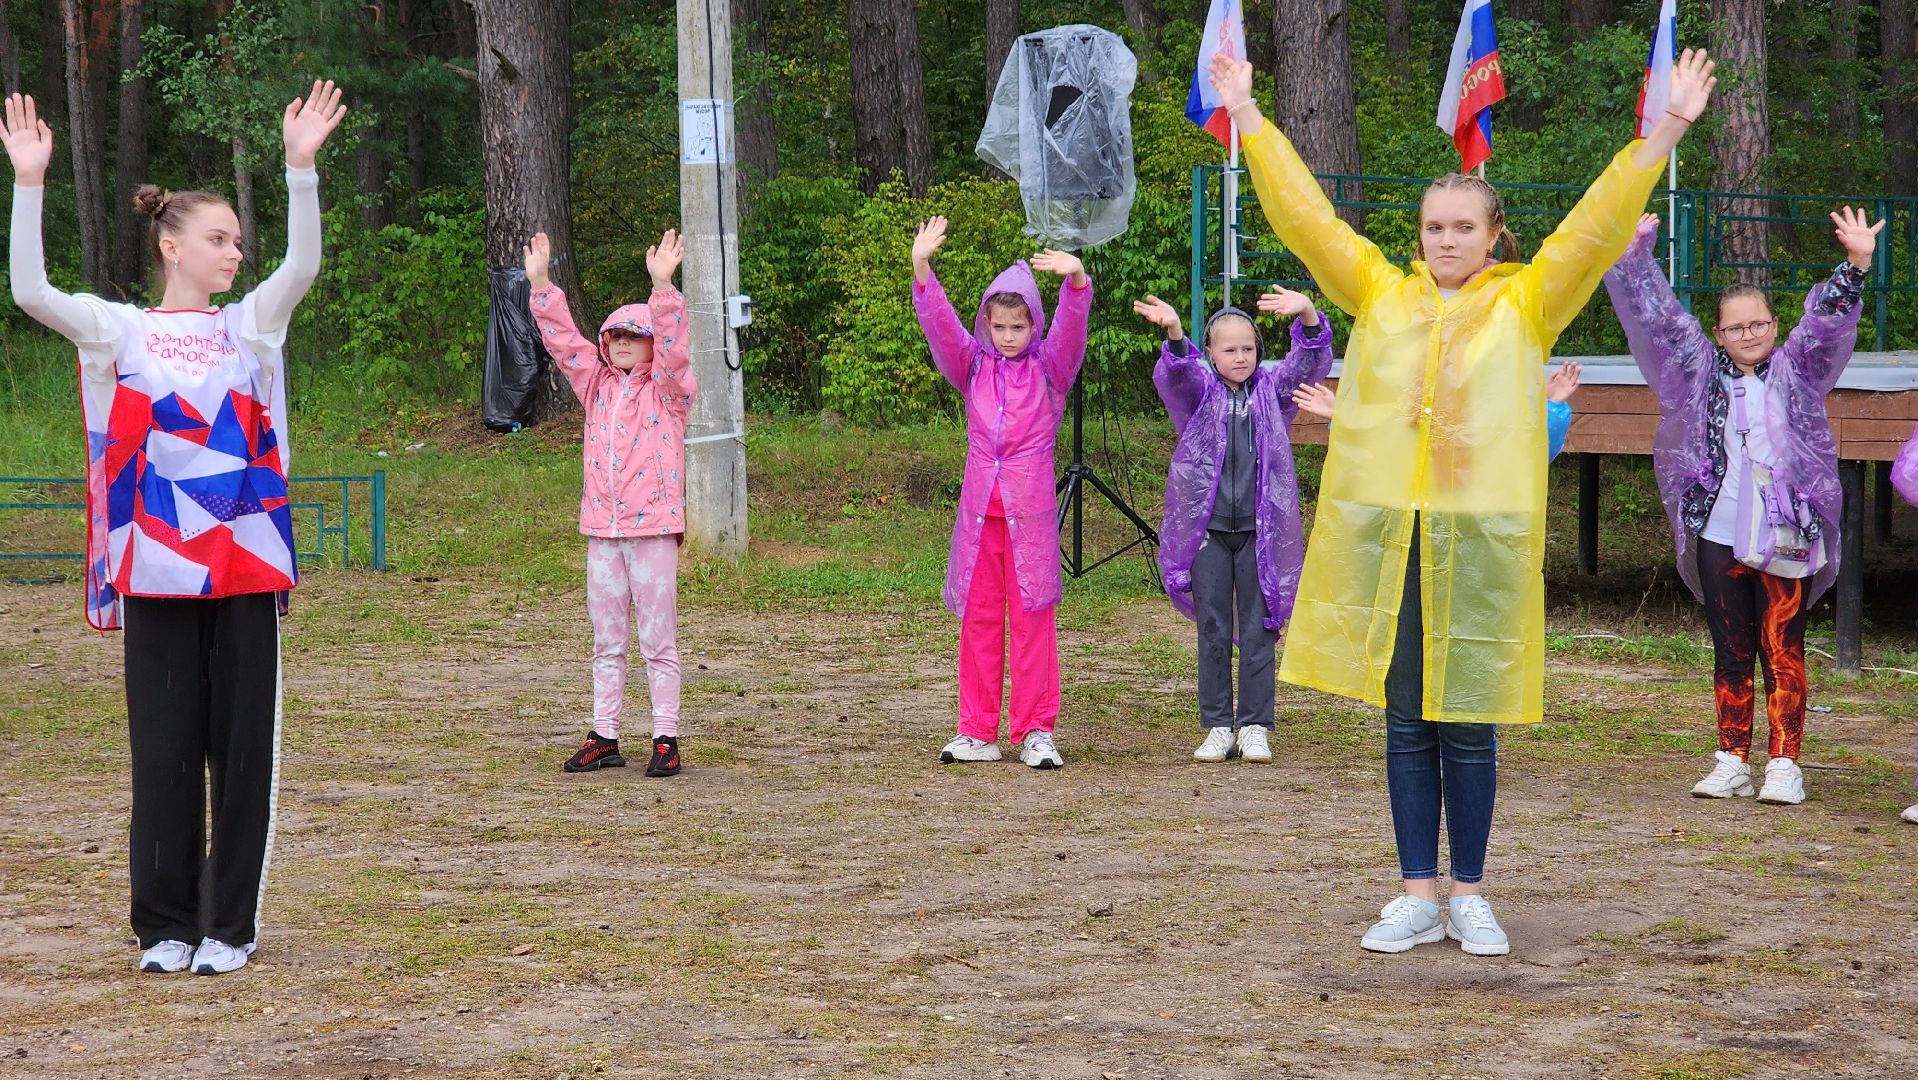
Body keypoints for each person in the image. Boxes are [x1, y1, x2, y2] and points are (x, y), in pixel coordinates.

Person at [1205, 47, 1718, 956]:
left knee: (1467, 720)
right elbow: (1311, 223)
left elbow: (1595, 229)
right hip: (1391, 537)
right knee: (1407, 721)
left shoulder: (1527, 304)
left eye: (1462, 226)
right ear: (1420, 235)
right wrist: (1248, 118)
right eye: (1433, 226)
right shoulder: (1382, 293)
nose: (1445, 239)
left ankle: (1471, 891)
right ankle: (1414, 893)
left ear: (1492, 235)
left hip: (1479, 539)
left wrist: (1667, 128)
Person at [6, 83, 346, 975]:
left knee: (240, 757)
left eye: (239, 240)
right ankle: (163, 926)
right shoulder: (120, 332)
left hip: (246, 571)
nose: (235, 252)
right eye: (219, 238)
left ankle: (229, 928)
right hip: (155, 571)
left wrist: (300, 171)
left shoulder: (252, 330)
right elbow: (30, 288)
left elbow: (302, 270)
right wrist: (30, 183)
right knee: (161, 754)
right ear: (171, 246)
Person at [1605, 207, 1882, 805]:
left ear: (1775, 326)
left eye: (1759, 324)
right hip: (1719, 533)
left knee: (1781, 648)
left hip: (1787, 537)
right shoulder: (1699, 372)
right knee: (1730, 649)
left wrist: (1856, 263)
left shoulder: (1797, 371)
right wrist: (1635, 256)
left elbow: (1826, 324)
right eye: (1736, 327)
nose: (1749, 334)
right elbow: (1659, 323)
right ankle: (1731, 756)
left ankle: (1784, 762)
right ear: (1720, 333)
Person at [910, 215, 1090, 769]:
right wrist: (921, 268)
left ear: (1032, 325)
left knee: (1033, 618)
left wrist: (1076, 281)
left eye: (1019, 326)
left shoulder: (1050, 369)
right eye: (1000, 326)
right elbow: (941, 326)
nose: (1008, 336)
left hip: (1030, 514)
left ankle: (1036, 729)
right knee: (981, 618)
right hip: (980, 516)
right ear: (986, 323)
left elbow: (1070, 332)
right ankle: (977, 730)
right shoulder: (972, 366)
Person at [524, 228, 694, 779]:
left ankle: (665, 736)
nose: (622, 342)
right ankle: (606, 733)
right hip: (603, 531)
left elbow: (675, 350)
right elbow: (564, 342)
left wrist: (663, 288)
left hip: (652, 531)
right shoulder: (595, 385)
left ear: (650, 342)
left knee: (657, 639)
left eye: (633, 334)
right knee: (607, 640)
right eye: (614, 334)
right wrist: (543, 285)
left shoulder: (668, 392)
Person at [1136, 287, 1332, 763]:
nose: (1240, 357)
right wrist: (1175, 333)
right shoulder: (1199, 393)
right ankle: (1219, 725)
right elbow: (1177, 376)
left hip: (1260, 531)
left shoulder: (1273, 392)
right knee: (1214, 627)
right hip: (1208, 531)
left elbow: (1306, 366)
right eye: (1229, 349)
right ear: (1212, 354)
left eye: (1248, 348)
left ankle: (1255, 725)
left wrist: (1307, 314)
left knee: (1260, 626)